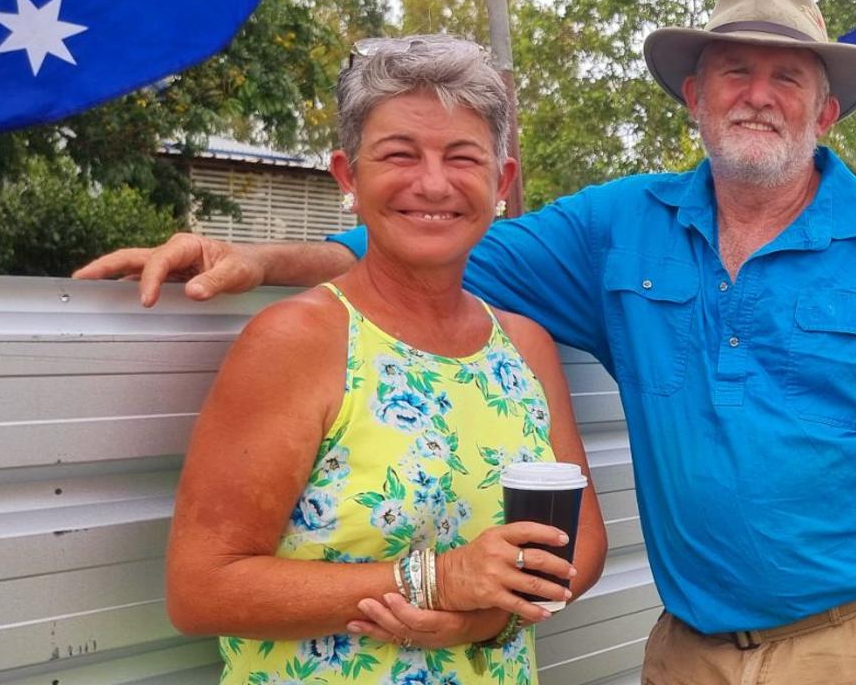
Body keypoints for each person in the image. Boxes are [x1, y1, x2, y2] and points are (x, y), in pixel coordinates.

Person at [80, 0, 856, 684]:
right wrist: (255, 256)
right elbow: (430, 239)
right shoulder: (617, 227)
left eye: (788, 77)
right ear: (692, 98)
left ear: (826, 109)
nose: (757, 93)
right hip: (690, 650)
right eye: (731, 70)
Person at [162, 34, 607, 685]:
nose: (433, 183)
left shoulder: (525, 346)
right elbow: (200, 589)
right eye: (400, 154)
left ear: (500, 181)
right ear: (348, 176)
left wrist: (485, 619)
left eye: (463, 157)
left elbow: (584, 544)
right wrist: (437, 578)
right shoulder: (298, 340)